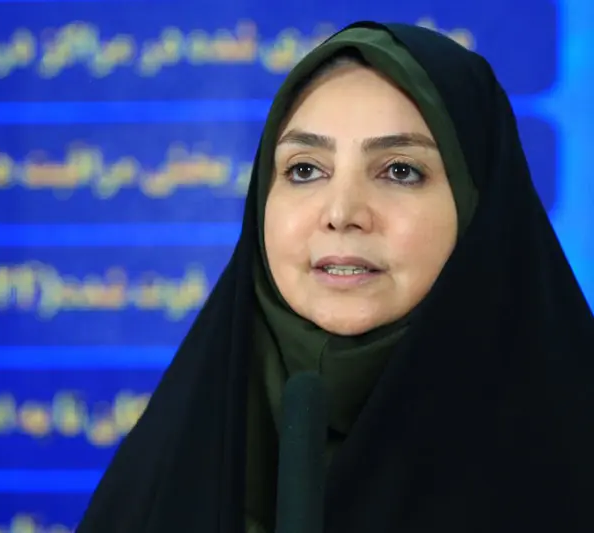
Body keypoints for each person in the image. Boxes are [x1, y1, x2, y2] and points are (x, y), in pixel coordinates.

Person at [76, 21, 594, 533]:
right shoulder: (157, 481)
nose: (342, 212)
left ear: (479, 205)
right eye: (305, 170)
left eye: (400, 170)